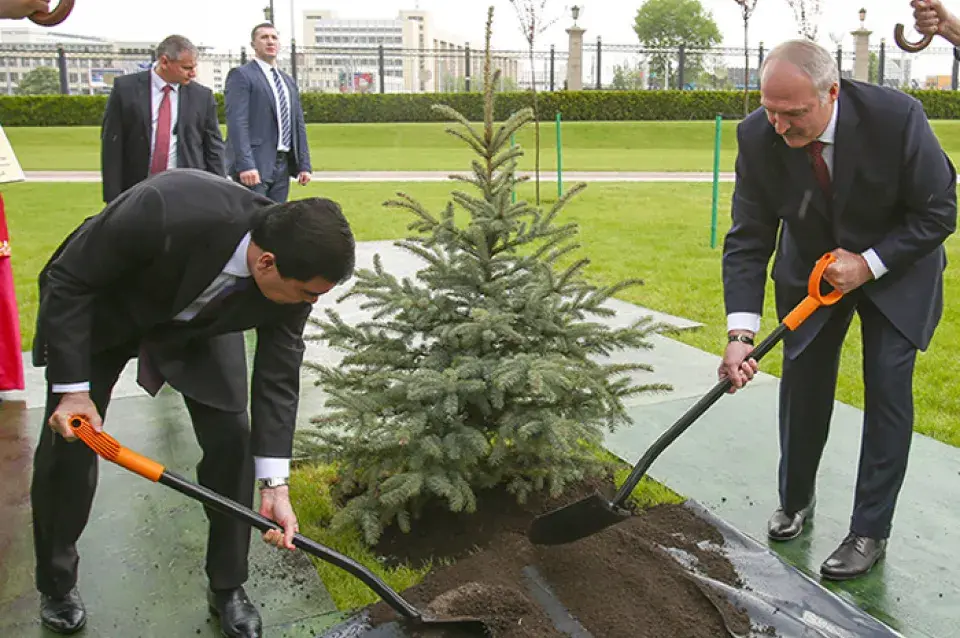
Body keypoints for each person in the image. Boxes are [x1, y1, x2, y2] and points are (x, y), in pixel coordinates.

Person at [29, 168, 356, 636]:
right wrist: (73, 391)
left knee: (232, 440)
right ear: (265, 263)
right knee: (70, 444)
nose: (311, 303)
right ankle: (57, 582)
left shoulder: (295, 281)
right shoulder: (165, 206)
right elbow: (69, 279)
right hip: (107, 310)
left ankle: (228, 585)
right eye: (309, 293)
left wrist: (275, 486)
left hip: (202, 326)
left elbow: (277, 379)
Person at [719, 39, 956, 581]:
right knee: (803, 380)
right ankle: (795, 499)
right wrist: (740, 332)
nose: (779, 126)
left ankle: (869, 530)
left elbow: (940, 210)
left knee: (886, 382)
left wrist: (868, 264)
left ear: (832, 92)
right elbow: (749, 237)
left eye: (794, 113)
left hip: (897, 265)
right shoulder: (758, 134)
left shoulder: (896, 118)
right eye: (770, 110)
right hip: (811, 269)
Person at [100, 35, 224, 204]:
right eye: (186, 68)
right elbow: (112, 145)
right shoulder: (125, 89)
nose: (193, 74)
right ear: (164, 62)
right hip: (136, 190)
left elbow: (213, 148)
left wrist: (221, 193)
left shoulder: (202, 96)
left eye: (194, 67)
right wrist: (112, 198)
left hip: (187, 190)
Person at [224, 22, 311, 203]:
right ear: (253, 44)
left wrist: (304, 165)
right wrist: (246, 164)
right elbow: (237, 123)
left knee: (275, 223)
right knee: (252, 221)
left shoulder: (287, 81)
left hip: (282, 164)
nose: (270, 41)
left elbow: (298, 123)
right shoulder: (242, 75)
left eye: (274, 37)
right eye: (264, 37)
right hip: (255, 164)